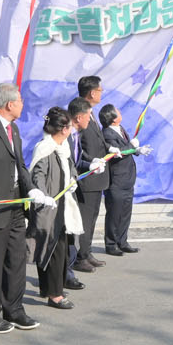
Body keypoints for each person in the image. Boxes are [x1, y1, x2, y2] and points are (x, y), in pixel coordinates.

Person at [0, 84, 54, 333]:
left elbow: (20, 164)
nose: (23, 104)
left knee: (16, 259)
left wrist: (32, 189)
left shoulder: (12, 128)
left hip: (15, 202)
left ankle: (14, 309)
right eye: (20, 100)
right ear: (9, 104)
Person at [28, 106, 81, 309]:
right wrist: (42, 195)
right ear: (64, 129)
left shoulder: (63, 147)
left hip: (63, 205)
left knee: (57, 248)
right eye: (70, 126)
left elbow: (71, 168)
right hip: (49, 207)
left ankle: (48, 288)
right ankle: (55, 294)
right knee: (53, 250)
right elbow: (38, 175)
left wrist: (73, 179)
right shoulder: (45, 148)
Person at [71, 78, 110, 271]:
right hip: (86, 176)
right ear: (92, 92)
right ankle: (79, 257)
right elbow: (78, 148)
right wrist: (90, 163)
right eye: (100, 90)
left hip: (97, 175)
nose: (101, 93)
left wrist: (111, 149)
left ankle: (86, 252)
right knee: (85, 219)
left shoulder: (91, 114)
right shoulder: (79, 114)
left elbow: (98, 142)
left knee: (93, 217)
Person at [100, 104, 147, 254]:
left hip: (128, 178)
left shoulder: (120, 129)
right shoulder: (107, 133)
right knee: (115, 213)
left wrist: (137, 150)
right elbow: (116, 153)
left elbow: (127, 149)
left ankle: (122, 241)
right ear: (113, 118)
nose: (120, 112)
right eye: (117, 112)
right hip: (117, 179)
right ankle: (111, 244)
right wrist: (131, 145)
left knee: (126, 212)